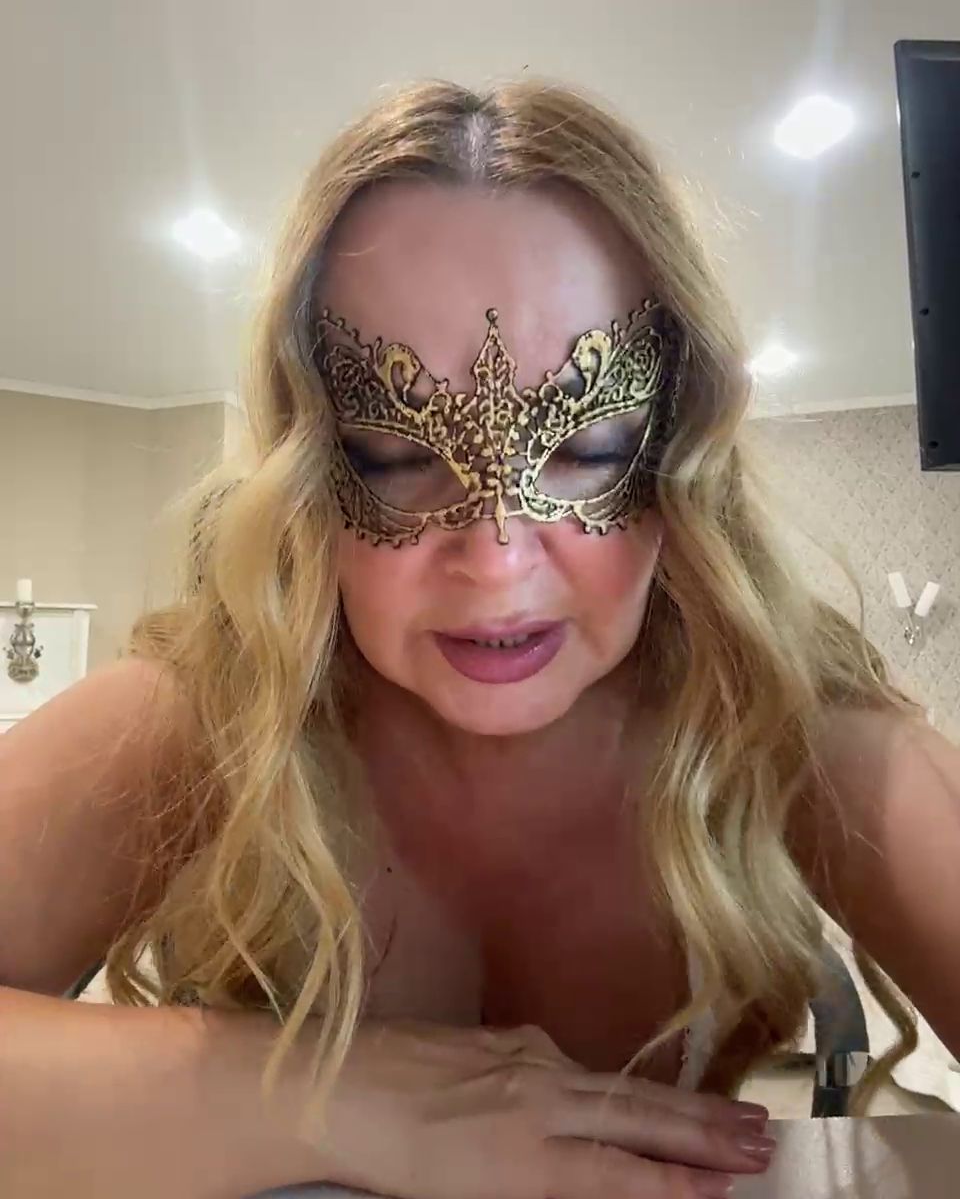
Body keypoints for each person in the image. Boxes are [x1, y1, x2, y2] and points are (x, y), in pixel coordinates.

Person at [2, 79, 958, 1199]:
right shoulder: (213, 709)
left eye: (589, 450)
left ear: (675, 449)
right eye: (396, 456)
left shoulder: (774, 719)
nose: (497, 562)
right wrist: (330, 1097)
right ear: (310, 471)